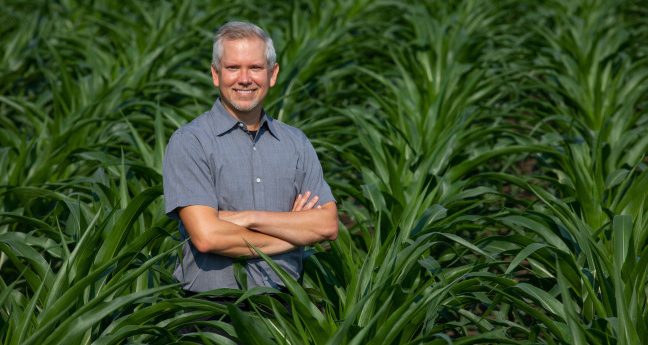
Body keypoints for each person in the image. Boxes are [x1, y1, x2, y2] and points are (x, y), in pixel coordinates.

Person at [163, 21, 338, 293]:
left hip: (284, 307)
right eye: (233, 68)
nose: (244, 79)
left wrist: (248, 218)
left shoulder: (296, 143)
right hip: (207, 311)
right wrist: (293, 236)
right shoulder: (190, 142)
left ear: (273, 74)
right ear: (215, 74)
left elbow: (327, 225)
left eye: (255, 68)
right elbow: (208, 237)